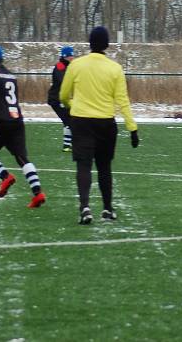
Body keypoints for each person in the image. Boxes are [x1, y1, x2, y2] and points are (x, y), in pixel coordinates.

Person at [60, 26, 139, 225]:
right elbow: (123, 101)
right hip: (105, 123)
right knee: (104, 167)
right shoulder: (115, 68)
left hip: (81, 121)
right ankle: (107, 208)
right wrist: (132, 128)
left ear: (89, 43)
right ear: (107, 44)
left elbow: (63, 95)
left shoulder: (76, 65)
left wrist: (73, 106)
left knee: (83, 165)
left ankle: (85, 207)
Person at [0, 45, 46, 208]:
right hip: (17, 120)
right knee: (22, 157)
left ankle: (5, 176)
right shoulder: (10, 75)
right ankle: (38, 193)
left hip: (1, 121)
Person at [48, 46, 75, 152]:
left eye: (72, 55)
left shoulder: (68, 66)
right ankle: (68, 145)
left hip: (62, 99)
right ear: (65, 56)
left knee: (69, 121)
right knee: (69, 121)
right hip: (56, 99)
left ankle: (67, 145)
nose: (72, 58)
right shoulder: (60, 66)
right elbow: (63, 80)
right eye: (70, 56)